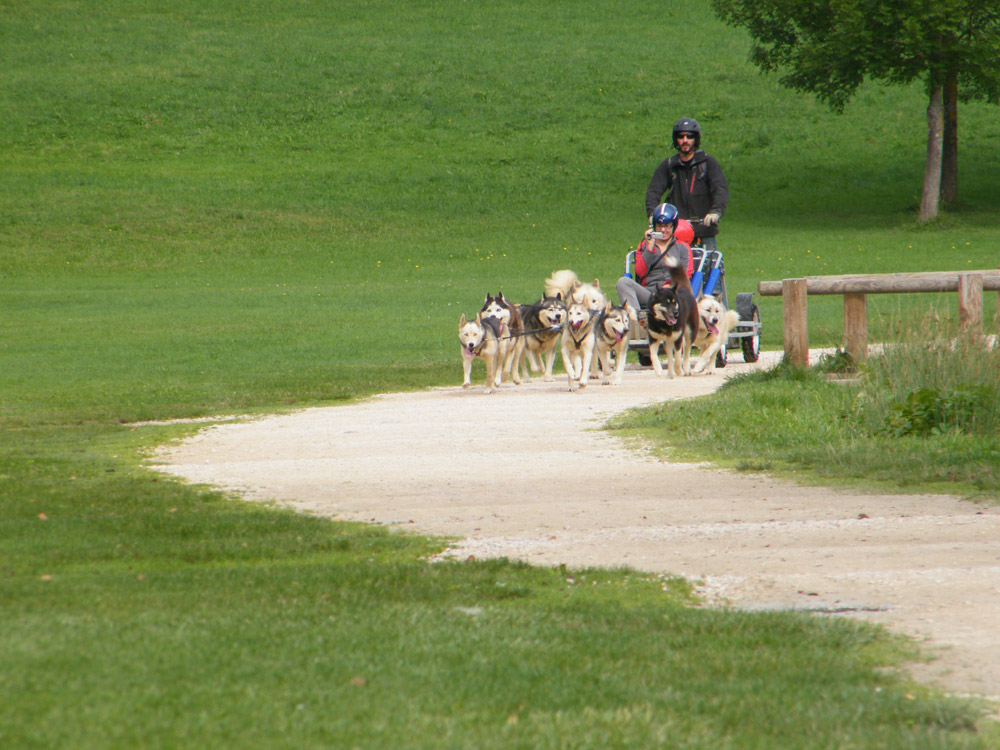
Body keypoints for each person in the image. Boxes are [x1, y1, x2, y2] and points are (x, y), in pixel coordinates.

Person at [645, 117, 729, 254]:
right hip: (678, 232)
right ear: (675, 139)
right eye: (680, 136)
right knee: (672, 269)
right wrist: (652, 213)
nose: (685, 140)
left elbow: (720, 190)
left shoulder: (708, 163)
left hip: (704, 230)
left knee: (712, 267)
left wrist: (715, 213)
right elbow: (653, 191)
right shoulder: (670, 166)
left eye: (689, 136)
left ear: (696, 139)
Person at [616, 203, 692, 316]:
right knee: (623, 282)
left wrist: (670, 285)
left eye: (667, 226)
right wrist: (650, 248)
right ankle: (637, 319)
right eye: (659, 226)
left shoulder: (682, 247)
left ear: (674, 226)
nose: (663, 230)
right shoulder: (644, 245)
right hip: (651, 294)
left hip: (673, 294)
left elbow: (685, 274)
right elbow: (640, 272)